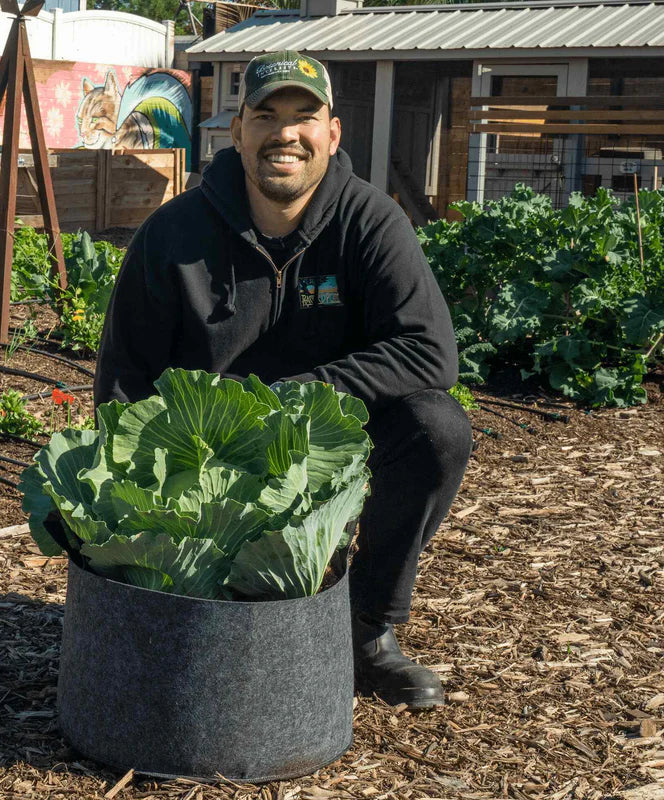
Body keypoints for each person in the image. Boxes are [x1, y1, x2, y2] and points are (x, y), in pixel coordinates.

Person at [94, 51, 472, 709]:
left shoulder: (369, 223)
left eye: (305, 116)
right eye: (266, 115)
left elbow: (430, 351)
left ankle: (364, 633)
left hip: (324, 453)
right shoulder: (170, 237)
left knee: (437, 429)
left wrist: (296, 401)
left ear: (332, 133)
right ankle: (195, 609)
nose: (285, 133)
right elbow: (123, 383)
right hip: (208, 471)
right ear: (236, 130)